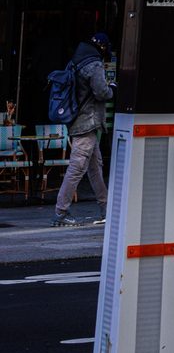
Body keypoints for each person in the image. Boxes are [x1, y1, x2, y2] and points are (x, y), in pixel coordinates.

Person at [53, 31, 113, 227]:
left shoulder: (77, 60)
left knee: (95, 167)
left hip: (80, 121)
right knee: (77, 167)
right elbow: (101, 92)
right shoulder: (94, 64)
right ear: (103, 48)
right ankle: (61, 212)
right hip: (87, 123)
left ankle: (107, 209)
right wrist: (113, 88)